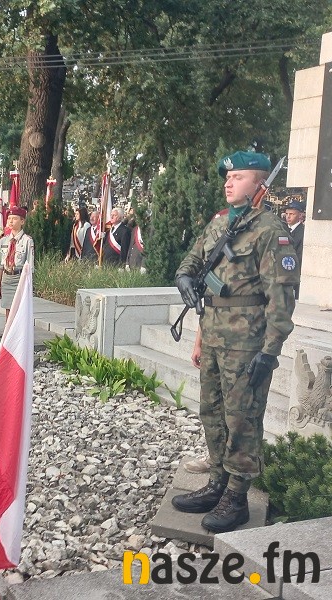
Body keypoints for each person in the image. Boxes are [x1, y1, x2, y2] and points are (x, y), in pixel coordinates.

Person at [171, 151, 299, 533]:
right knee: (211, 412)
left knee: (242, 418)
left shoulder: (270, 230)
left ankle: (237, 497)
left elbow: (281, 299)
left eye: (238, 176)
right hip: (212, 336)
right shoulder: (219, 223)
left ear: (260, 184)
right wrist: (184, 280)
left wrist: (270, 352)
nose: (228, 182)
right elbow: (192, 262)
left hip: (247, 344)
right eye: (227, 177)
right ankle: (217, 481)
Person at [0, 206, 34, 318]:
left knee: (18, 311)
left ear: (22, 221)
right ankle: (8, 329)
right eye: (9, 218)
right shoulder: (4, 240)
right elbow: (0, 265)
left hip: (19, 278)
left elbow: (30, 267)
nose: (11, 221)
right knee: (8, 311)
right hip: (6, 278)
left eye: (14, 218)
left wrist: (28, 287)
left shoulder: (27, 241)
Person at [283, 200, 305, 299]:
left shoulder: (303, 232)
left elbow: (299, 256)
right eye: (287, 214)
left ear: (300, 215)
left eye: (292, 214)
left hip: (294, 273)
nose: (288, 217)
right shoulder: (282, 229)